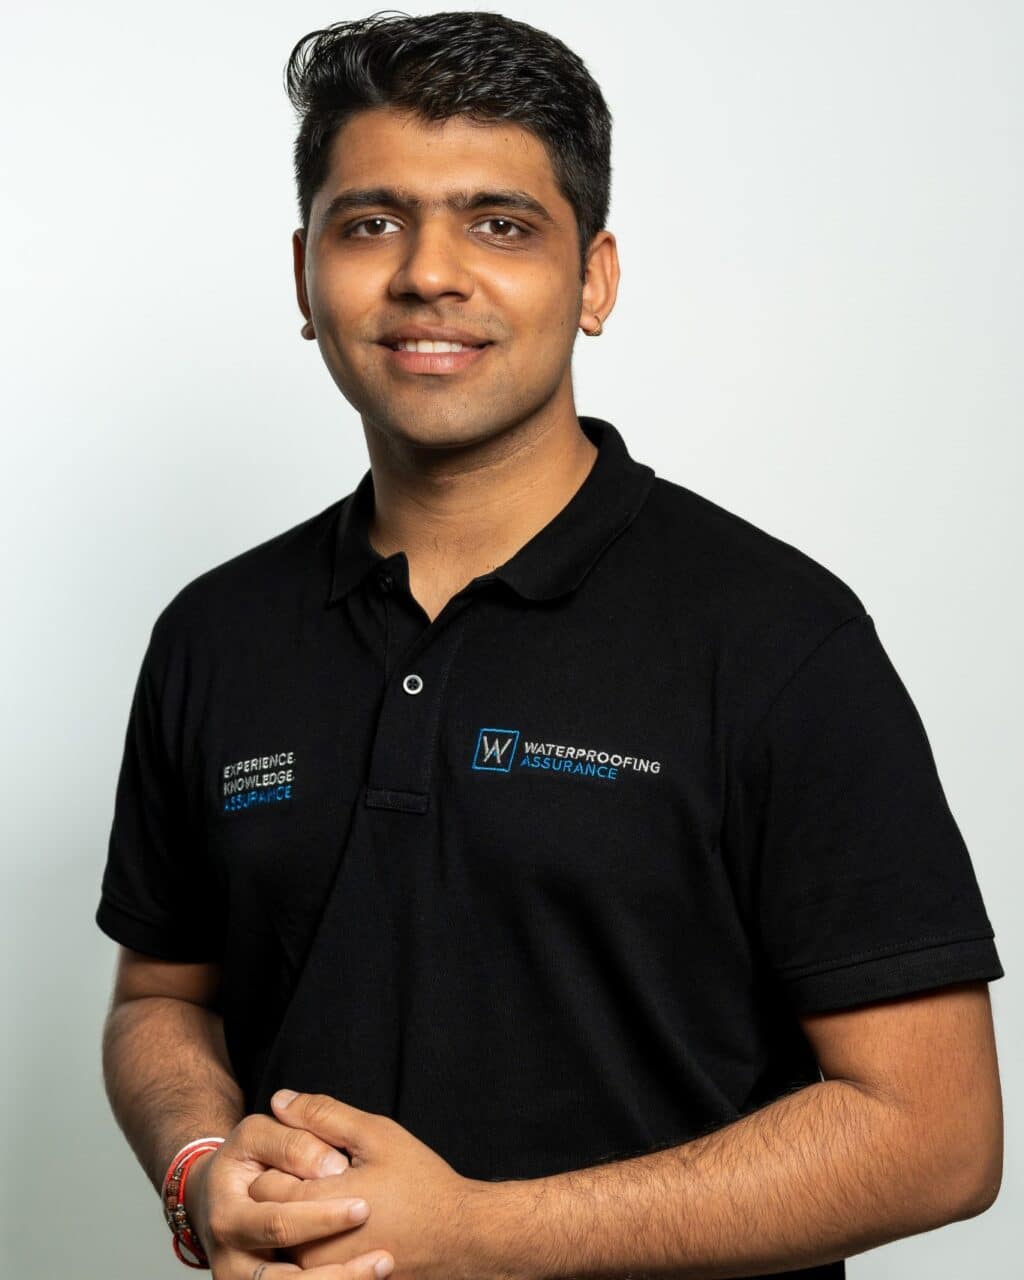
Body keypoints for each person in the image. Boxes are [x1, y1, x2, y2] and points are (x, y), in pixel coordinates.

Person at [96, 11, 1005, 1280]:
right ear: (306, 273)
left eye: (500, 224)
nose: (427, 273)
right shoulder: (214, 632)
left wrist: (481, 1235)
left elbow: (937, 1137)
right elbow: (161, 997)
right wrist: (198, 1169)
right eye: (371, 222)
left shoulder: (776, 634)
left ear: (595, 278)